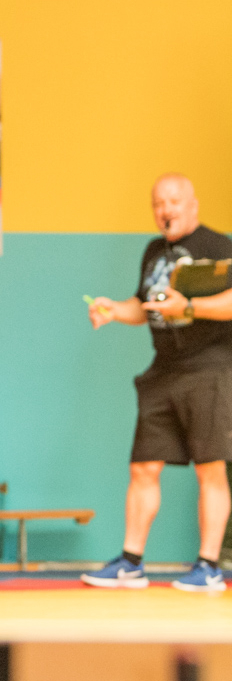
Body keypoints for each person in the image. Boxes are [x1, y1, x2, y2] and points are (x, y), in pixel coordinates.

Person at [84, 174, 232, 592]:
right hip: (162, 371)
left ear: (193, 204)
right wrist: (114, 310)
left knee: (210, 469)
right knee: (144, 466)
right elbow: (143, 305)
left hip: (209, 369)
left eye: (173, 201)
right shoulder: (153, 251)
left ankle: (208, 566)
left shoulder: (219, 247)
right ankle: (130, 562)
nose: (165, 209)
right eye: (158, 203)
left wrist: (192, 306)